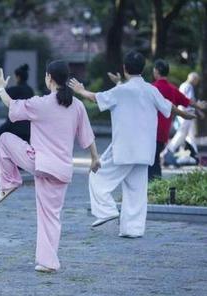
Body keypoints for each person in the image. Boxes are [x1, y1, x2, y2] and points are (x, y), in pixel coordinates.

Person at [68, 50, 195, 238]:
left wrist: (80, 90)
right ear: (144, 69)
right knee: (136, 191)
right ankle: (132, 229)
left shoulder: (120, 91)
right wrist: (186, 114)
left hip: (124, 148)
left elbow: (96, 97)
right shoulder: (151, 90)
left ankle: (107, 211)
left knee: (97, 176)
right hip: (145, 150)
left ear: (125, 69)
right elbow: (170, 107)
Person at [0, 61, 99, 273]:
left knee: (4, 138)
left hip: (39, 163)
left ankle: (9, 182)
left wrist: (0, 88)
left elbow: (12, 106)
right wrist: (95, 159)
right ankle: (48, 262)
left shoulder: (41, 103)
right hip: (62, 170)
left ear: (49, 77)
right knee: (51, 216)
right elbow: (88, 137)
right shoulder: (77, 105)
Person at [147, 60, 206, 180]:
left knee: (150, 162)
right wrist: (199, 107)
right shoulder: (172, 89)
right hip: (163, 132)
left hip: (149, 131)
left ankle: (151, 187)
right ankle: (156, 186)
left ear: (156, 71)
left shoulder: (151, 88)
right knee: (155, 159)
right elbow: (187, 101)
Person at [166, 72, 204, 164]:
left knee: (190, 136)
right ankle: (168, 151)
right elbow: (190, 101)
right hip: (186, 114)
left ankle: (192, 155)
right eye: (197, 80)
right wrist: (200, 109)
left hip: (184, 113)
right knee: (182, 134)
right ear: (193, 79)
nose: (197, 83)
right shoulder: (188, 86)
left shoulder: (183, 85)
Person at [0, 64, 35, 143]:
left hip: (14, 124)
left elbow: (3, 95)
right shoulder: (30, 90)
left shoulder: (14, 89)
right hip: (28, 125)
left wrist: (1, 87)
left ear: (18, 77)